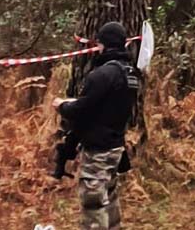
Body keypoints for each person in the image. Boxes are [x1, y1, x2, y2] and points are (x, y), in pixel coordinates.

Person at [53, 22, 139, 230]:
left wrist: (62, 106)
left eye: (99, 44)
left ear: (105, 45)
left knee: (94, 203)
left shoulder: (101, 75)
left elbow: (82, 111)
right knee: (109, 196)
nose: (97, 48)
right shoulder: (130, 74)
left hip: (98, 150)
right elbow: (104, 105)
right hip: (115, 147)